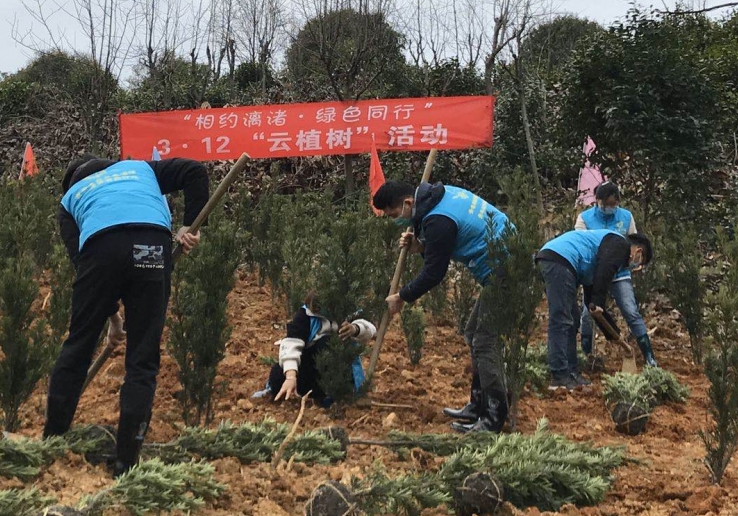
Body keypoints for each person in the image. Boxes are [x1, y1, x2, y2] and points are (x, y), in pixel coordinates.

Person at [44, 155, 209, 477]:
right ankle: (126, 462)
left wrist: (109, 316)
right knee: (142, 360)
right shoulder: (142, 169)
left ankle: (50, 442)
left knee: (77, 347)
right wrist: (190, 224)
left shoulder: (69, 201)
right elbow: (195, 171)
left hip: (100, 250)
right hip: (151, 244)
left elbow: (85, 265)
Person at [374, 180, 512, 434]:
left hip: (506, 270)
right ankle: (477, 405)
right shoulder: (439, 196)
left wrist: (402, 296)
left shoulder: (438, 219)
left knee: (485, 341)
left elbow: (434, 273)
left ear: (407, 203)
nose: (394, 220)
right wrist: (421, 247)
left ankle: (495, 416)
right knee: (473, 333)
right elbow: (443, 244)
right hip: (501, 265)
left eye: (394, 215)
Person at [536, 229, 653, 390]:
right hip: (559, 259)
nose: (636, 266)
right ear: (638, 251)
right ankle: (559, 376)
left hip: (561, 262)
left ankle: (571, 372)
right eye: (640, 262)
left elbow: (595, 306)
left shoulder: (600, 254)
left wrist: (614, 334)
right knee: (562, 319)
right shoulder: (620, 244)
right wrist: (597, 301)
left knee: (573, 318)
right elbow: (604, 271)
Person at [574, 182, 657, 367]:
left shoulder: (626, 217)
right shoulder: (584, 219)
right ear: (598, 201)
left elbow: (635, 244)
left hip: (620, 273)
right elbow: (581, 245)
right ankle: (586, 354)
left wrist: (636, 263)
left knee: (630, 310)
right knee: (589, 313)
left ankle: (649, 356)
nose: (611, 208)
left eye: (614, 204)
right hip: (594, 275)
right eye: (607, 204)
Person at [252, 294, 377, 406]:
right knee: (278, 375)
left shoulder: (348, 310)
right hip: (308, 367)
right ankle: (283, 390)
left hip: (339, 370)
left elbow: (369, 329)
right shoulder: (306, 315)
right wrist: (291, 377)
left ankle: (330, 396)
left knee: (328, 343)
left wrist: (355, 329)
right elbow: (291, 343)